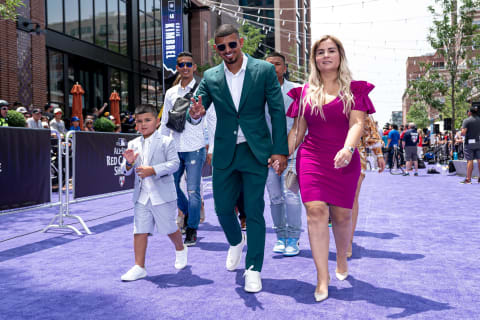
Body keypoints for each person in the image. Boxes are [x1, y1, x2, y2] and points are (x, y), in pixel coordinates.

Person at [189, 24, 288, 293]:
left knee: (254, 210)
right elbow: (196, 108)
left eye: (232, 44)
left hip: (256, 151)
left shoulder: (264, 70)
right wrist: (195, 113)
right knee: (222, 209)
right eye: (222, 47)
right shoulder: (210, 76)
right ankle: (235, 241)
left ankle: (253, 268)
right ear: (216, 49)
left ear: (240, 42)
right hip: (225, 152)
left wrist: (280, 150)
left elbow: (277, 112)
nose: (228, 51)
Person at [286, 35, 375, 302]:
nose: (326, 55)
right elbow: (297, 131)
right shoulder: (304, 94)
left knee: (342, 217)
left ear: (340, 56)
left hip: (344, 158)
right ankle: (321, 278)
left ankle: (342, 258)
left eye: (331, 51)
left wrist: (348, 149)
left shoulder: (354, 90)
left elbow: (357, 124)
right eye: (320, 52)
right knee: (315, 211)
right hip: (312, 157)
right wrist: (280, 155)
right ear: (314, 59)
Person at [120, 103, 186, 281]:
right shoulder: (133, 143)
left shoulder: (167, 141)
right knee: (139, 230)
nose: (143, 124)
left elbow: (174, 164)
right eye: (139, 121)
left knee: (170, 228)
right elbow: (125, 170)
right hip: (141, 196)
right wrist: (128, 163)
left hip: (163, 195)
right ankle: (139, 266)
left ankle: (180, 248)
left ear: (157, 122)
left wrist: (154, 170)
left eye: (147, 120)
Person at [160, 51, 206, 247]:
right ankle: (188, 212)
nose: (185, 67)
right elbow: (164, 121)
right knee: (169, 186)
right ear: (177, 68)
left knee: (193, 190)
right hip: (174, 145)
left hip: (196, 146)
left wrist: (211, 143)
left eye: (189, 64)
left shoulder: (202, 89)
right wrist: (159, 145)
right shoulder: (171, 93)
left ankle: (192, 228)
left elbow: (211, 117)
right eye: (181, 64)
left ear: (194, 67)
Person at [264, 52, 303, 257]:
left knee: (291, 195)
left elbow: (300, 126)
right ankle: (281, 237)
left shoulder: (296, 91)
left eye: (277, 64)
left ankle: (294, 238)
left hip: (293, 154)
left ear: (285, 68)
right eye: (268, 65)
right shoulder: (257, 93)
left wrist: (286, 153)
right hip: (268, 157)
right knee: (276, 198)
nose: (273, 68)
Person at [348, 115, 385, 258]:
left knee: (352, 197)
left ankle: (348, 241)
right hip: (328, 154)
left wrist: (379, 155)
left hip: (356, 154)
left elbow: (369, 128)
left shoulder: (358, 99)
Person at [460, 103, 480, 184]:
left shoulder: (466, 120)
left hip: (469, 143)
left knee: (470, 161)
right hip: (478, 142)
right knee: (479, 160)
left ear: (470, 113)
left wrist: (461, 132)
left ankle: (468, 179)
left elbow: (463, 133)